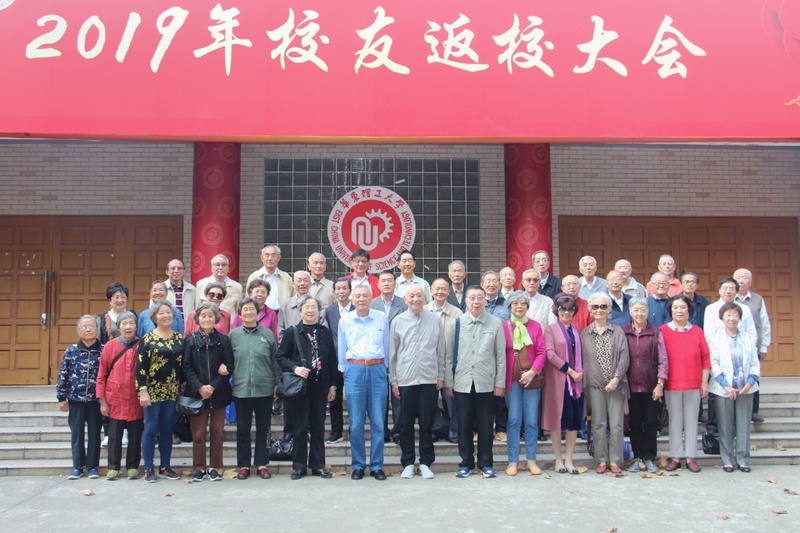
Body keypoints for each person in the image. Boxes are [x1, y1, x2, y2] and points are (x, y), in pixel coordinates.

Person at [445, 286, 505, 479]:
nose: (476, 301)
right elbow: (449, 355)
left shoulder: (495, 323)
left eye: (480, 297)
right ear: (466, 302)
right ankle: (465, 463)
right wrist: (449, 381)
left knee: (486, 426)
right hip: (462, 382)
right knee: (464, 425)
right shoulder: (457, 323)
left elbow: (500, 357)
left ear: (485, 301)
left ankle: (486, 464)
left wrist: (500, 383)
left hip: (486, 382)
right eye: (472, 298)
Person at [277, 295, 337, 480]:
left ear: (319, 311)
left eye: (314, 307)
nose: (310, 310)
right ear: (300, 311)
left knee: (318, 427)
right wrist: (295, 368)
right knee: (300, 428)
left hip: (320, 387)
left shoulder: (325, 332)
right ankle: (299, 466)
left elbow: (331, 360)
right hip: (300, 388)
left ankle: (318, 465)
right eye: (307, 307)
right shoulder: (292, 332)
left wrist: (332, 385)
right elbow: (281, 357)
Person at [389, 284, 445, 479]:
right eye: (411, 296)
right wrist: (393, 380)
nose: (415, 299)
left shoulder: (435, 319)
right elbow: (393, 353)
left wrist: (441, 376)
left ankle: (426, 462)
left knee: (426, 423)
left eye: (419, 295)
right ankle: (407, 462)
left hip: (428, 378)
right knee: (405, 424)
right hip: (405, 380)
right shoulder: (398, 321)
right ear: (405, 299)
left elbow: (441, 349)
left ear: (425, 297)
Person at [338, 285, 390, 480]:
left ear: (371, 298)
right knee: (356, 422)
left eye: (365, 296)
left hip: (377, 369)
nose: (361, 299)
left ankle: (376, 465)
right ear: (352, 299)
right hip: (355, 369)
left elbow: (386, 344)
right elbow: (341, 347)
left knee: (378, 421)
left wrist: (385, 369)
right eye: (358, 296)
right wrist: (345, 370)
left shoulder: (381, 317)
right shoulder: (345, 320)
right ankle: (358, 465)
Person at [229, 297, 280, 480]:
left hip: (264, 388)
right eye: (245, 310)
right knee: (243, 429)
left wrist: (277, 383)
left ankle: (262, 464)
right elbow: (228, 361)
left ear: (258, 313)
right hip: (241, 388)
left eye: (252, 309)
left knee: (264, 428)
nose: (249, 312)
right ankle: (244, 465)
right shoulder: (233, 336)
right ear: (240, 314)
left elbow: (275, 361)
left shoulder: (267, 334)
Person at [183, 302, 234, 482]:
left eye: (210, 316)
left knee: (217, 432)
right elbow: (186, 368)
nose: (207, 319)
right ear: (197, 319)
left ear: (216, 319)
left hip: (218, 393)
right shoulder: (190, 340)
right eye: (203, 316)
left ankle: (215, 467)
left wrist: (213, 386)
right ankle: (199, 467)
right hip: (196, 394)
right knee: (198, 434)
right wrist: (200, 387)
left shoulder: (223, 341)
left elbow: (229, 367)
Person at [581, 292, 630, 475]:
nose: (599, 310)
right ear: (590, 310)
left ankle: (616, 460)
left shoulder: (618, 331)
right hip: (594, 385)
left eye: (603, 306)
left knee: (616, 424)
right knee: (598, 424)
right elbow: (584, 360)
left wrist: (616, 379)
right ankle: (601, 459)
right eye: (595, 306)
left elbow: (624, 356)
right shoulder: (585, 334)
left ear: (609, 309)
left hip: (616, 385)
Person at [708, 302, 760, 473]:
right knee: (725, 425)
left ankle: (743, 459)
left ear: (740, 318)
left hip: (746, 388)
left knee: (743, 425)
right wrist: (726, 386)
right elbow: (714, 364)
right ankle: (728, 459)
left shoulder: (748, 338)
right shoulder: (715, 338)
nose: (732, 318)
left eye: (735, 315)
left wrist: (750, 382)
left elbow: (755, 362)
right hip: (723, 388)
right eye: (728, 315)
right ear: (722, 318)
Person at [135, 301, 184, 483]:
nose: (166, 316)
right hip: (152, 390)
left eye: (168, 312)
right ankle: (148, 467)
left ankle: (165, 466)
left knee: (167, 429)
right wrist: (142, 391)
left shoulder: (179, 338)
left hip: (171, 390)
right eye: (162, 313)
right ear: (155, 317)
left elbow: (183, 364)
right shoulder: (147, 339)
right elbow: (140, 367)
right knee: (150, 428)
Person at [661, 295, 711, 473]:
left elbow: (705, 359)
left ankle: (690, 457)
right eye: (675, 307)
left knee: (691, 421)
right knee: (675, 421)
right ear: (670, 310)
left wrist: (704, 382)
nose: (679, 311)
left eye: (683, 307)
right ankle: (675, 457)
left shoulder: (697, 331)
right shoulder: (663, 331)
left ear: (689, 311)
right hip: (672, 384)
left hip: (693, 383)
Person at [502, 290, 546, 476]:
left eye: (522, 303)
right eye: (515, 303)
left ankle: (531, 460)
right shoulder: (503, 327)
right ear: (509, 307)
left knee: (531, 421)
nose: (519, 306)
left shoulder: (535, 326)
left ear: (527, 307)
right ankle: (513, 461)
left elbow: (542, 352)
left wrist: (533, 372)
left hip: (532, 380)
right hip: (511, 381)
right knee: (513, 420)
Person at [622, 297, 668, 473]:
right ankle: (637, 457)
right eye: (636, 310)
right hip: (630, 386)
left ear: (648, 312)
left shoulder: (656, 332)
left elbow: (663, 360)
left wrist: (660, 383)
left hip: (650, 386)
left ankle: (649, 457)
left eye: (643, 310)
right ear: (630, 312)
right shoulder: (624, 331)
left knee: (650, 423)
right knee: (634, 423)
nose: (639, 313)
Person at [97, 312, 144, 481]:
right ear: (118, 327)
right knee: (114, 436)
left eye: (131, 323)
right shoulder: (110, 346)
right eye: (124, 323)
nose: (128, 327)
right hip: (115, 398)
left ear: (136, 326)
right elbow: (101, 375)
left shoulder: (142, 345)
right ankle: (113, 467)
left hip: (135, 398)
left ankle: (132, 466)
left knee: (135, 435)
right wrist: (102, 401)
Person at [56, 316, 103, 480]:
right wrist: (61, 397)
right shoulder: (71, 350)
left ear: (97, 329)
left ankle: (93, 466)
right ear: (78, 331)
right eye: (84, 327)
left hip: (96, 401)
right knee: (77, 434)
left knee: (95, 434)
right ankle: (78, 466)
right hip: (75, 399)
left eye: (91, 326)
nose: (88, 329)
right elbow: (63, 374)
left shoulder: (104, 350)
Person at [543, 294, 585, 475]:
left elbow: (582, 354)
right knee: (557, 421)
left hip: (576, 384)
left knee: (573, 422)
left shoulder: (577, 330)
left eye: (570, 309)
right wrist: (570, 371)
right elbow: (550, 354)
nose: (566, 313)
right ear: (557, 310)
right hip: (558, 381)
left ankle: (569, 460)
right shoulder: (550, 329)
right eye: (562, 309)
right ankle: (558, 459)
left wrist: (580, 372)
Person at [371, 270, 407, 443]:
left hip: (399, 355)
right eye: (383, 281)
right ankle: (382, 431)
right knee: (380, 398)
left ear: (395, 283)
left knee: (398, 397)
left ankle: (398, 432)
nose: (386, 283)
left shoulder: (404, 304)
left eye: (389, 281)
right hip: (378, 356)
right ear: (378, 285)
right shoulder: (371, 304)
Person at [426, 277, 463, 444]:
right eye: (437, 288)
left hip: (450, 363)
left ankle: (454, 431)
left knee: (451, 399)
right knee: (429, 401)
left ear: (448, 292)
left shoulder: (457, 313)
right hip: (429, 363)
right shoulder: (424, 310)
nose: (440, 291)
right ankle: (433, 431)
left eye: (443, 289)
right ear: (431, 291)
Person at [733, 268, 771, 423]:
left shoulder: (757, 299)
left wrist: (764, 346)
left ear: (750, 282)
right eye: (738, 278)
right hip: (732, 346)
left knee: (753, 376)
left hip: (752, 346)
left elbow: (764, 324)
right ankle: (734, 409)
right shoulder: (729, 298)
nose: (741, 281)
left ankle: (754, 411)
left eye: (745, 278)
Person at [321, 277, 353, 443]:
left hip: (354, 360)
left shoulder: (358, 308)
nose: (341, 291)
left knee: (355, 397)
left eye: (344, 288)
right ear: (334, 292)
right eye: (338, 289)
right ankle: (336, 431)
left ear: (350, 291)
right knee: (335, 397)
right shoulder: (329, 311)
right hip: (334, 360)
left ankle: (355, 430)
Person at [277, 270, 328, 343]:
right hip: (291, 346)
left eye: (305, 280)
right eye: (299, 280)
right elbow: (280, 329)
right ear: (293, 284)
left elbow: (324, 329)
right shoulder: (286, 305)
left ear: (310, 284)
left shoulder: (318, 303)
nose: (302, 283)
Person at [246, 245, 293, 311]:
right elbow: (248, 298)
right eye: (267, 255)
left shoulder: (286, 277)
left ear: (279, 258)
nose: (270, 258)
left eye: (273, 256)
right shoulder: (254, 276)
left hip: (281, 313)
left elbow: (292, 297)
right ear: (262, 258)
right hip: (260, 313)